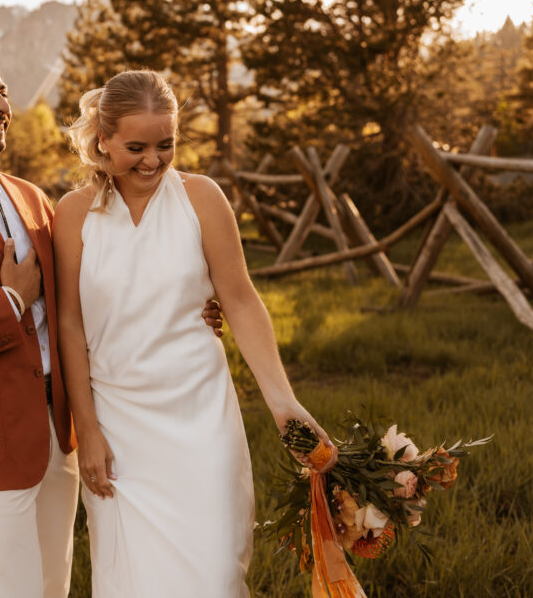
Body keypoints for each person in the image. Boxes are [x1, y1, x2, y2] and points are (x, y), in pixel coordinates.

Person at [0, 44, 226, 597]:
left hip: (60, 437)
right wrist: (8, 305)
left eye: (4, 91)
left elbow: (81, 302)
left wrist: (192, 304)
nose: (1, 104)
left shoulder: (33, 199)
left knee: (53, 591)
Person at [52, 70, 338, 597]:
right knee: (129, 580)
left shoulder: (201, 198)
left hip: (201, 419)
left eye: (166, 145)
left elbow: (240, 299)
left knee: (214, 575)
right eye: (135, 147)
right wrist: (85, 427)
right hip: (117, 427)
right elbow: (68, 323)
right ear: (102, 141)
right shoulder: (73, 215)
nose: (152, 160)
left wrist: (284, 403)